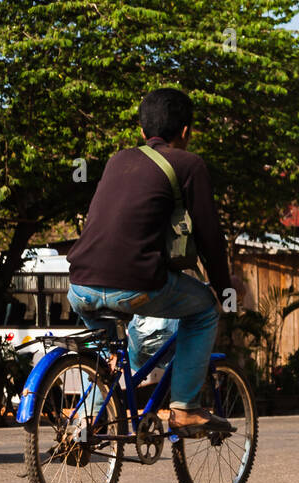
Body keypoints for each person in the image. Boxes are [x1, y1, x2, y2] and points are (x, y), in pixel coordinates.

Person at [66, 88, 243, 435]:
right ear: (186, 131)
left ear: (142, 130)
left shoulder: (118, 160)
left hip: (79, 286)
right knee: (204, 309)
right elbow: (209, 237)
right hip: (133, 288)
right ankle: (185, 408)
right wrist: (224, 292)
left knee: (111, 364)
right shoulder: (189, 163)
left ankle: (86, 425)